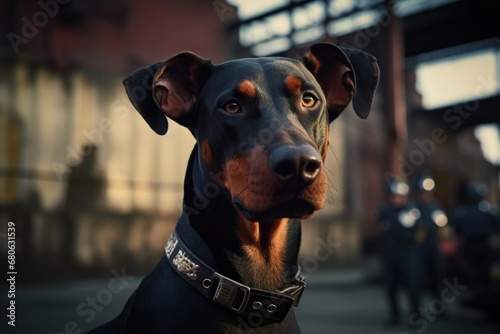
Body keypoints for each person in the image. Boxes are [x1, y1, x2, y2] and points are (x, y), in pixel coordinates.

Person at [377, 178, 421, 325]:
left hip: (406, 251)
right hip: (389, 251)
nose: (396, 199)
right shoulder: (385, 210)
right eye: (393, 196)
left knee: (411, 284)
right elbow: (380, 225)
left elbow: (415, 231)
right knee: (390, 286)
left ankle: (416, 315)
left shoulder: (412, 210)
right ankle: (394, 316)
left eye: (399, 196)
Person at [411, 174, 447, 302]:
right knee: (417, 278)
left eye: (427, 192)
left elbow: (442, 223)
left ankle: (440, 306)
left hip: (433, 245)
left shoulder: (435, 206)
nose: (425, 195)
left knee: (437, 275)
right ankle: (417, 309)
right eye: (422, 192)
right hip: (417, 248)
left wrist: (443, 230)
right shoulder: (412, 207)